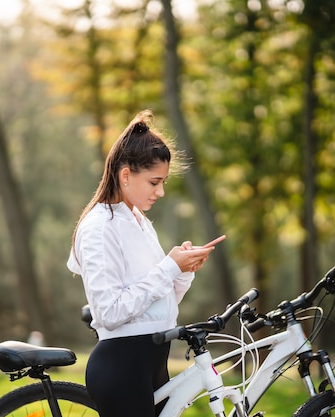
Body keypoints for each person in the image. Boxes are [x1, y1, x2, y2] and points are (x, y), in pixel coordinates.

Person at [67, 110, 216, 417]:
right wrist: (168, 267)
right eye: (154, 182)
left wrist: (182, 272)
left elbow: (157, 306)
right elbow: (109, 312)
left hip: (152, 360)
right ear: (125, 175)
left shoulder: (139, 221)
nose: (160, 191)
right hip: (122, 366)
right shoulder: (98, 228)